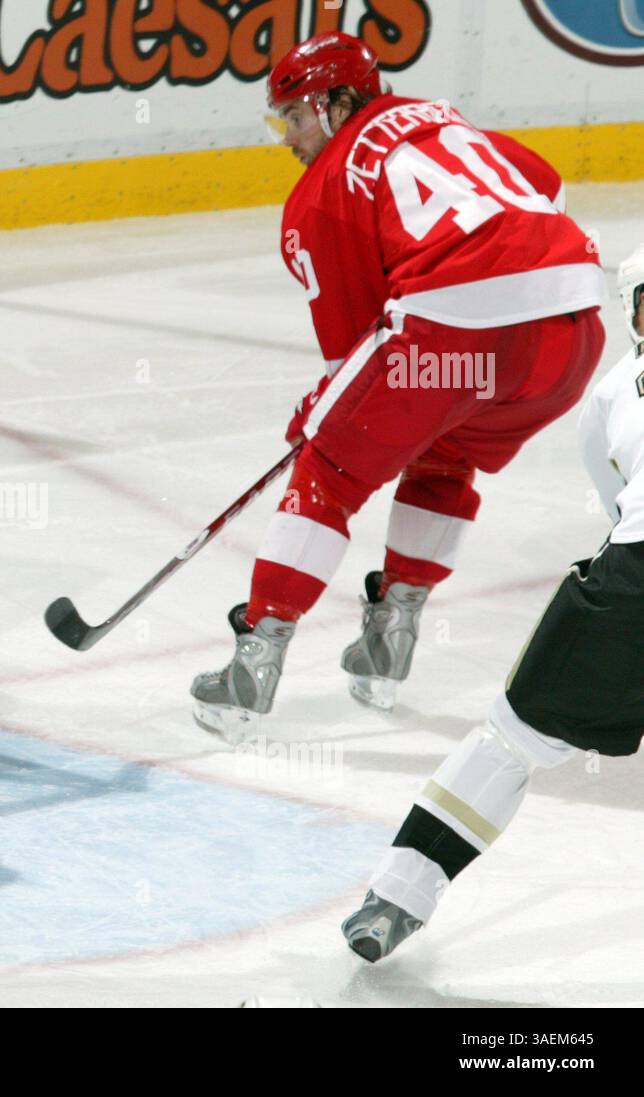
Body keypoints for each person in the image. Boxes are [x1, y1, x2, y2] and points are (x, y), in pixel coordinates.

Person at [192, 32, 606, 742]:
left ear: (336, 102)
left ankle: (253, 663)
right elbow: (543, 183)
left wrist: (319, 421)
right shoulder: (442, 117)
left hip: (458, 330)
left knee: (328, 468)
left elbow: (355, 347)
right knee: (446, 449)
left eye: (294, 116)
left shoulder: (320, 196)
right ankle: (392, 635)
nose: (286, 137)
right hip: (571, 329)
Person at [342, 244, 644, 961]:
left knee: (511, 741)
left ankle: (397, 896)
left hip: (634, 582)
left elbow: (618, 507)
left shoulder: (613, 392)